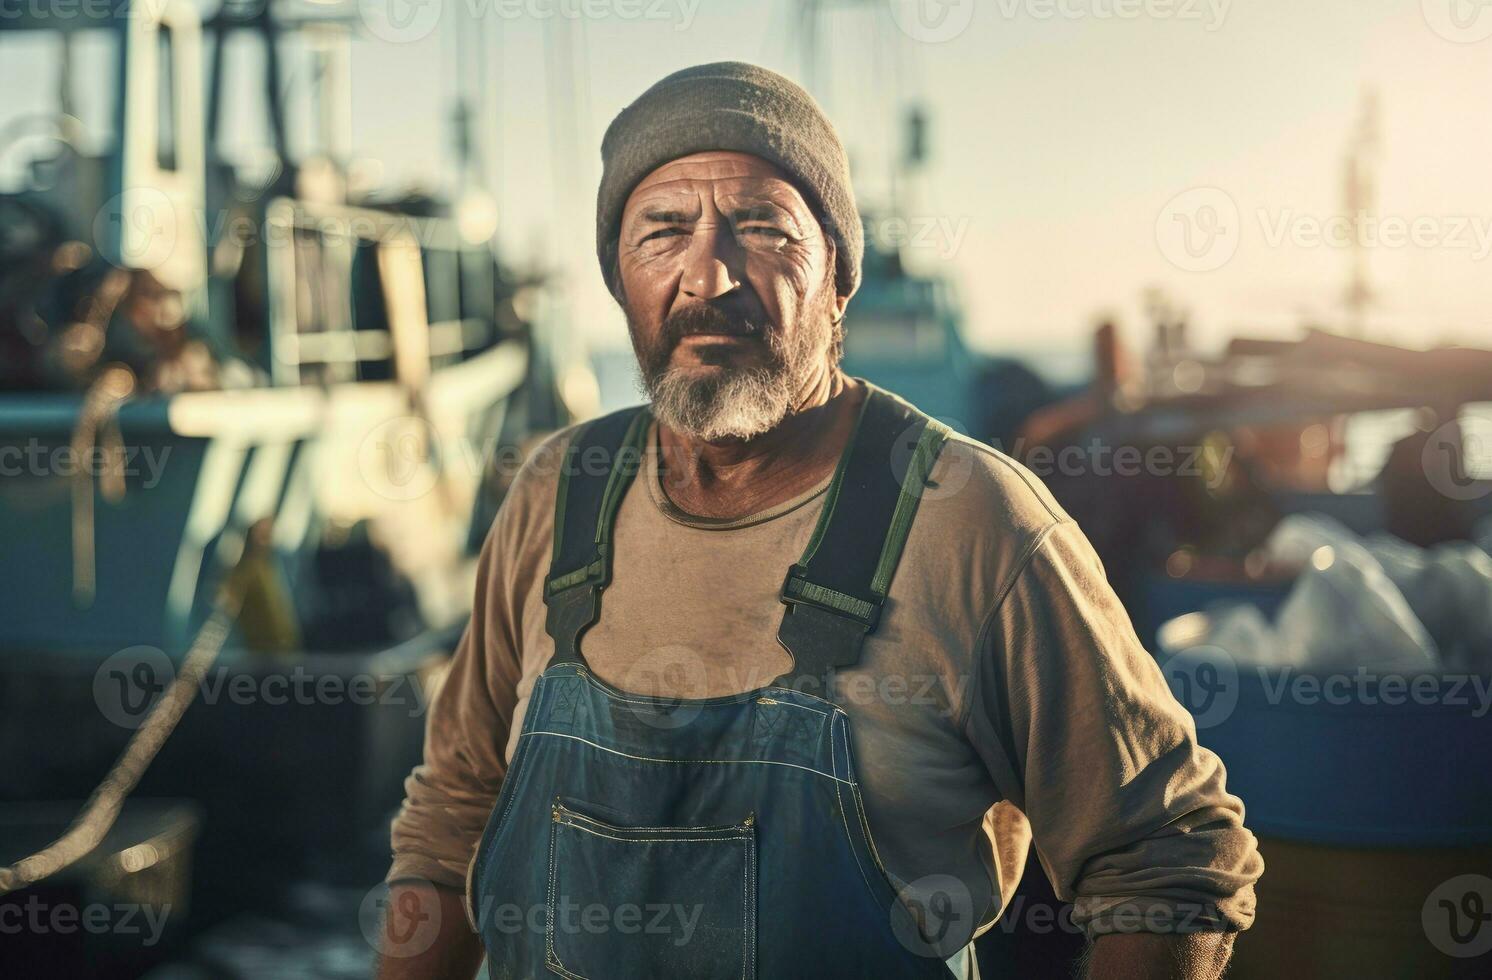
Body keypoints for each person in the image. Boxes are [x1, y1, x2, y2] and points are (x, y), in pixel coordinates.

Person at [377, 61, 1261, 980]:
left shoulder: (974, 525)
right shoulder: (556, 494)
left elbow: (1171, 862)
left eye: (761, 228)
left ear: (838, 277)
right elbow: (453, 818)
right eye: (662, 232)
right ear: (618, 281)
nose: (707, 275)